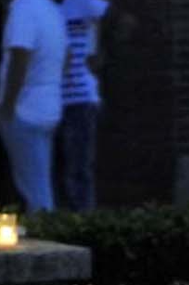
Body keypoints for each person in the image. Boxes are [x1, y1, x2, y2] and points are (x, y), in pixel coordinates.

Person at [0, 0, 68, 213]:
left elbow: (20, 56)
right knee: (39, 179)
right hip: (48, 105)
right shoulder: (52, 11)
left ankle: (45, 236)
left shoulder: (23, 9)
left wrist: (8, 104)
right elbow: (68, 56)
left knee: (34, 189)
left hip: (24, 110)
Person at [56, 0, 109, 211]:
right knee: (58, 167)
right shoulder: (44, 7)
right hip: (50, 97)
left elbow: (111, 23)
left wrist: (95, 54)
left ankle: (82, 220)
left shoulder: (87, 4)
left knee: (79, 166)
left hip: (81, 97)